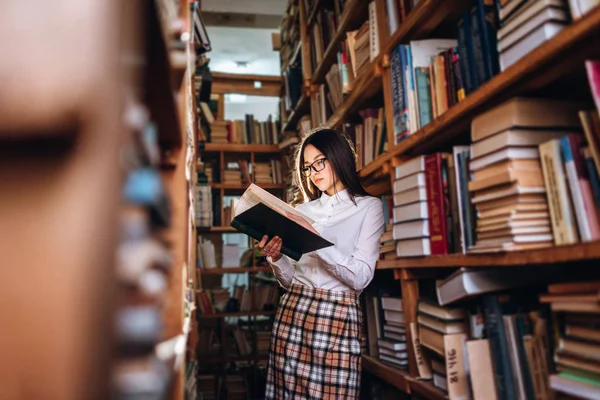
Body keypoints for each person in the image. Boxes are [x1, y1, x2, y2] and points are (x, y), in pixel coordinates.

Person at [257, 128, 384, 399]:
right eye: (307, 167)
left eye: (319, 162)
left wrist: (314, 237)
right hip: (293, 311)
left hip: (337, 315)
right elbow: (291, 281)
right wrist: (277, 257)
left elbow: (361, 277)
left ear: (339, 157)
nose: (313, 172)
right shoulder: (300, 211)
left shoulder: (369, 207)